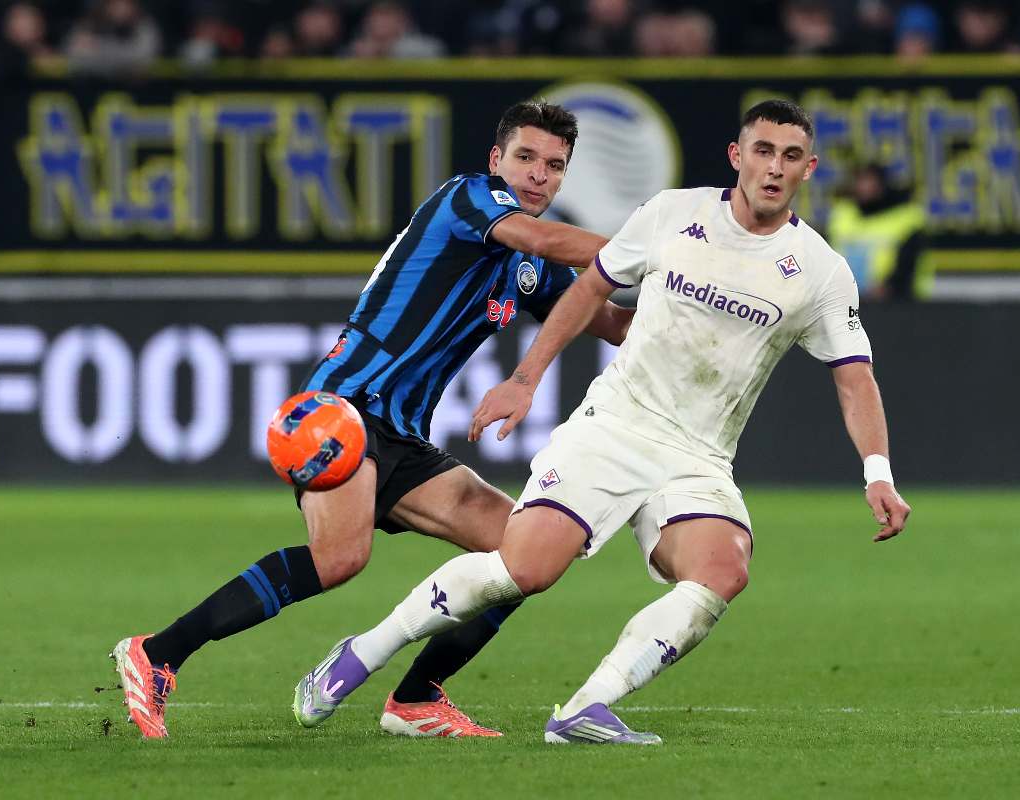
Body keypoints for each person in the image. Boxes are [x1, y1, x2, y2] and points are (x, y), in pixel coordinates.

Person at [295, 99, 911, 744]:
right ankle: (362, 653)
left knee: (723, 571)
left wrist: (877, 472)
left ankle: (584, 708)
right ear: (737, 156)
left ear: (808, 169)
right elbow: (590, 288)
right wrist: (525, 380)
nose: (774, 168)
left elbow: (854, 375)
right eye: (762, 150)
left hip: (699, 454)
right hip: (612, 427)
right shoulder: (673, 214)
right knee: (523, 570)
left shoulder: (820, 271)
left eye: (790, 157)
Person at [112, 101, 635, 740]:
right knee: (340, 557)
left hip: (404, 435)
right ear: (497, 159)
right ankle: (158, 653)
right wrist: (651, 248)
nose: (538, 175)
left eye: (554, 166)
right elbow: (545, 237)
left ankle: (416, 699)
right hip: (344, 408)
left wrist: (692, 297)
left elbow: (609, 322)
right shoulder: (468, 200)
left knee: (525, 551)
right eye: (525, 157)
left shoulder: (531, 270)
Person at [827, 163, 928, 300]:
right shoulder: (842, 214)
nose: (863, 187)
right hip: (844, 301)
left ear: (882, 184)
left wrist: (889, 287)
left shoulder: (907, 218)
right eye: (860, 180)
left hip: (895, 302)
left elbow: (909, 264)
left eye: (869, 181)